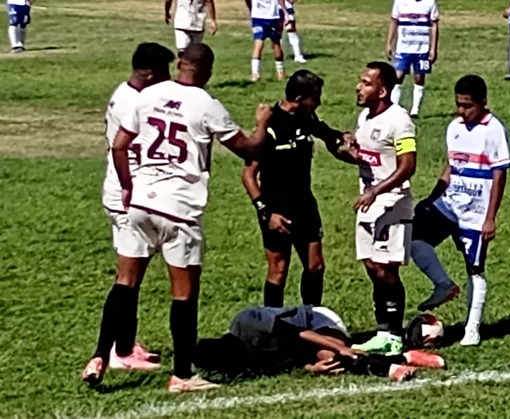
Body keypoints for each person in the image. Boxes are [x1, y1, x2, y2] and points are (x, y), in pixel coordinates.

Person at [82, 43, 272, 393]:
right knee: (184, 293)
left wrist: (128, 186)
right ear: (208, 70)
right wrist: (262, 123)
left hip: (141, 202)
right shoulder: (207, 104)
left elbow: (120, 145)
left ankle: (99, 355)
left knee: (126, 281)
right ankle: (182, 374)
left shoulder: (148, 95)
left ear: (180, 63)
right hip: (179, 207)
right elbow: (249, 148)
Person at [410, 75, 510, 346]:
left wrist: (490, 218)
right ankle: (443, 284)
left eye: (467, 106)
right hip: (449, 205)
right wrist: (433, 197)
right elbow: (451, 166)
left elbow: (500, 174)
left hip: (475, 213)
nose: (461, 111)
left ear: (483, 102)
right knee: (412, 237)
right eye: (458, 104)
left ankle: (472, 328)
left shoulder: (493, 129)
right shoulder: (454, 127)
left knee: (475, 269)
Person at [242, 69, 356, 308]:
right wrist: (266, 213)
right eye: (316, 97)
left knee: (316, 266)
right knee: (278, 269)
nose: (319, 102)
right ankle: (272, 323)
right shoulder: (270, 124)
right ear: (299, 98)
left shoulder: (306, 116)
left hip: (304, 203)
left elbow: (325, 132)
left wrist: (343, 137)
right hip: (276, 208)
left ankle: (311, 317)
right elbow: (249, 176)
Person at [96, 43, 176, 374]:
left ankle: (125, 344)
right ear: (150, 74)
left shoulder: (126, 93)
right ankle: (116, 351)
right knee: (128, 278)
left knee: (132, 275)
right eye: (165, 73)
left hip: (125, 192)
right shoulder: (134, 103)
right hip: (127, 197)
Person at [343, 62, 417, 355]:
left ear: (382, 90)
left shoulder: (399, 121)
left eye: (366, 83)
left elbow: (408, 166)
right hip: (368, 204)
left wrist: (376, 191)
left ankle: (395, 335)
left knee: (386, 270)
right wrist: (346, 150)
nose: (358, 88)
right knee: (372, 266)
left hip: (391, 203)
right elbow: (367, 158)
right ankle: (382, 331)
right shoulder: (365, 117)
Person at [194, 304, 445, 381]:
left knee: (333, 356)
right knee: (328, 364)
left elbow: (299, 333)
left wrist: (339, 346)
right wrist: (311, 369)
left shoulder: (246, 322)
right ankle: (406, 358)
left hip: (317, 321)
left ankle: (392, 369)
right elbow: (284, 364)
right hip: (303, 345)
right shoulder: (248, 361)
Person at [386, 0, 439, 117]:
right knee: (397, 77)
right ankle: (394, 107)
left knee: (419, 78)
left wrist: (433, 48)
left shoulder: (429, 2)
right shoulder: (400, 2)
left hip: (422, 49)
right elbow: (394, 22)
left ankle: (415, 110)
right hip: (403, 48)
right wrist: (389, 43)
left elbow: (434, 25)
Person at [248, 0, 288, 82]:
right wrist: (285, 11)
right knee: (276, 43)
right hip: (273, 16)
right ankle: (280, 72)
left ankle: (255, 73)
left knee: (258, 43)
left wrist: (251, 8)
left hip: (257, 16)